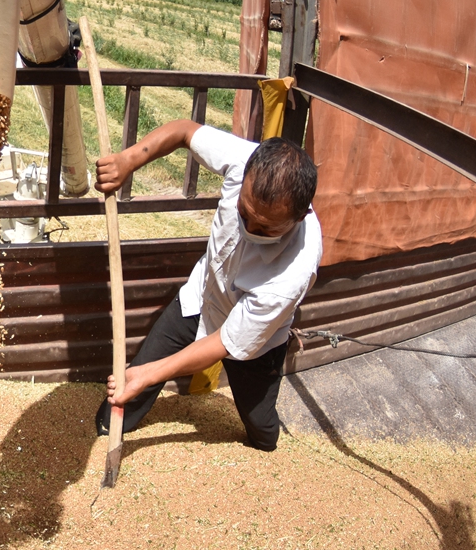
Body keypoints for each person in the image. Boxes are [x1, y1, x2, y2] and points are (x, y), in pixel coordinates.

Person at [93, 119, 321, 451]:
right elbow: (184, 131)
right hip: (200, 297)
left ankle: (265, 435)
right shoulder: (246, 159)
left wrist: (150, 374)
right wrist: (130, 159)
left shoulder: (295, 271)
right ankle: (105, 432)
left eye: (267, 228)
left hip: (254, 344)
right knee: (131, 387)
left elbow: (225, 342)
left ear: (299, 217)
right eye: (244, 212)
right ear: (246, 177)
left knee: (261, 429)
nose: (251, 228)